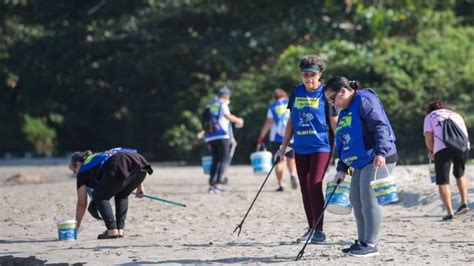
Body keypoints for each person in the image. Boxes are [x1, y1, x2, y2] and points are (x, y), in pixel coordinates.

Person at [324, 76, 398, 257]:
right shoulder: (345, 109)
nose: (332, 104)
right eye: (329, 102)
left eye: (332, 99)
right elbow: (343, 141)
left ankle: (371, 244)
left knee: (368, 199)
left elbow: (380, 126)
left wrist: (381, 152)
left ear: (343, 90)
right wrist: (341, 168)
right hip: (359, 161)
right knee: (355, 199)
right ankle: (362, 241)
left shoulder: (364, 100)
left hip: (378, 157)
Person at [275, 55, 338, 244]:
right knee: (304, 186)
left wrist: (343, 148)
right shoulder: (297, 91)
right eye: (305, 75)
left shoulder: (326, 93)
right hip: (300, 146)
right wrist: (283, 147)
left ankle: (319, 230)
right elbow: (291, 121)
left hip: (322, 146)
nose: (309, 78)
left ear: (320, 74)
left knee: (314, 182)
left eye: (313, 74)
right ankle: (311, 228)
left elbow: (334, 122)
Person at [69, 148, 153, 239]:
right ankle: (120, 230)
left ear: (77, 164)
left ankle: (112, 230)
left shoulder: (83, 170)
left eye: (74, 171)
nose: (76, 174)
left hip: (119, 164)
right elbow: (125, 159)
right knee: (121, 195)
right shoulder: (98, 158)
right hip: (140, 164)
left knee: (99, 197)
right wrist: (140, 186)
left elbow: (82, 203)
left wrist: (76, 227)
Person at [423, 100, 470, 221]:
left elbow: (429, 138)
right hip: (462, 147)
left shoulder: (430, 117)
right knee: (460, 173)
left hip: (442, 148)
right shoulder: (456, 114)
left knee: (442, 181)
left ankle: (450, 212)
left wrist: (432, 151)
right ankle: (464, 202)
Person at [204, 86, 244, 193]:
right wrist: (238, 120)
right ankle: (219, 184)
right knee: (224, 160)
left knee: (215, 160)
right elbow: (227, 116)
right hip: (222, 136)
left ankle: (212, 184)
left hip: (210, 136)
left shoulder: (211, 105)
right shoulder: (222, 105)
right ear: (226, 96)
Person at [257, 88, 298, 192]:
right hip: (290, 137)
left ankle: (281, 184)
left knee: (279, 161)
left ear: (274, 97)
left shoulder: (273, 106)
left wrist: (261, 137)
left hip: (276, 138)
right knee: (291, 159)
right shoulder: (291, 102)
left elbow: (269, 122)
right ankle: (293, 174)